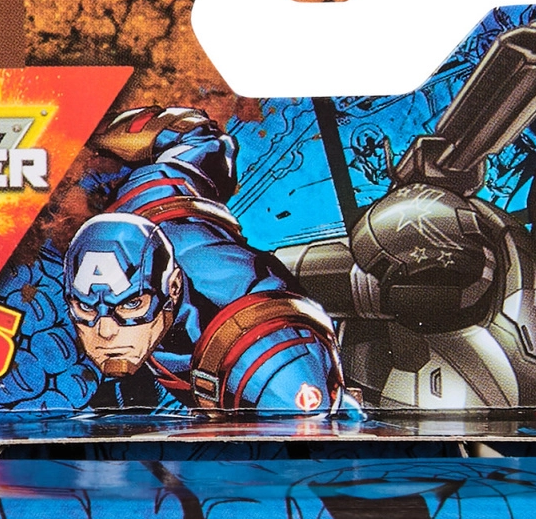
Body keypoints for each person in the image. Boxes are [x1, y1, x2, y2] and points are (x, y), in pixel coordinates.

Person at [64, 105, 344, 415]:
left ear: (172, 288)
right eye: (86, 308)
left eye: (130, 305)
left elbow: (315, 424)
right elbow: (198, 138)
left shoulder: (254, 350)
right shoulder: (147, 193)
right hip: (160, 197)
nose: (105, 332)